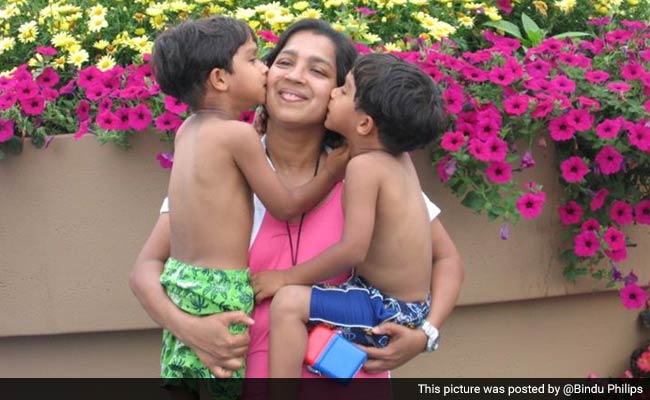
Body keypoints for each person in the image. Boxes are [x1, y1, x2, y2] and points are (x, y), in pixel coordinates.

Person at [130, 18, 463, 383]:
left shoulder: (370, 171)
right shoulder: (220, 168)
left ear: (343, 97)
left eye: (318, 70)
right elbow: (146, 267)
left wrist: (424, 334)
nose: (295, 76)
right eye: (284, 63)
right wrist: (189, 328)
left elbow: (445, 257)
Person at [149, 15, 347, 393]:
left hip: (181, 282)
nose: (266, 68)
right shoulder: (238, 138)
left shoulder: (188, 131)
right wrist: (331, 174)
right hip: (221, 289)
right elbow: (285, 207)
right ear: (220, 79)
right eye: (255, 60)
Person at [252, 52, 446, 378]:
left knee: (288, 303)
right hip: (406, 307)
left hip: (383, 306)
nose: (333, 93)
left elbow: (352, 249)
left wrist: (285, 278)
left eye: (344, 90)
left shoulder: (364, 168)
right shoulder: (398, 162)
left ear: (364, 123)